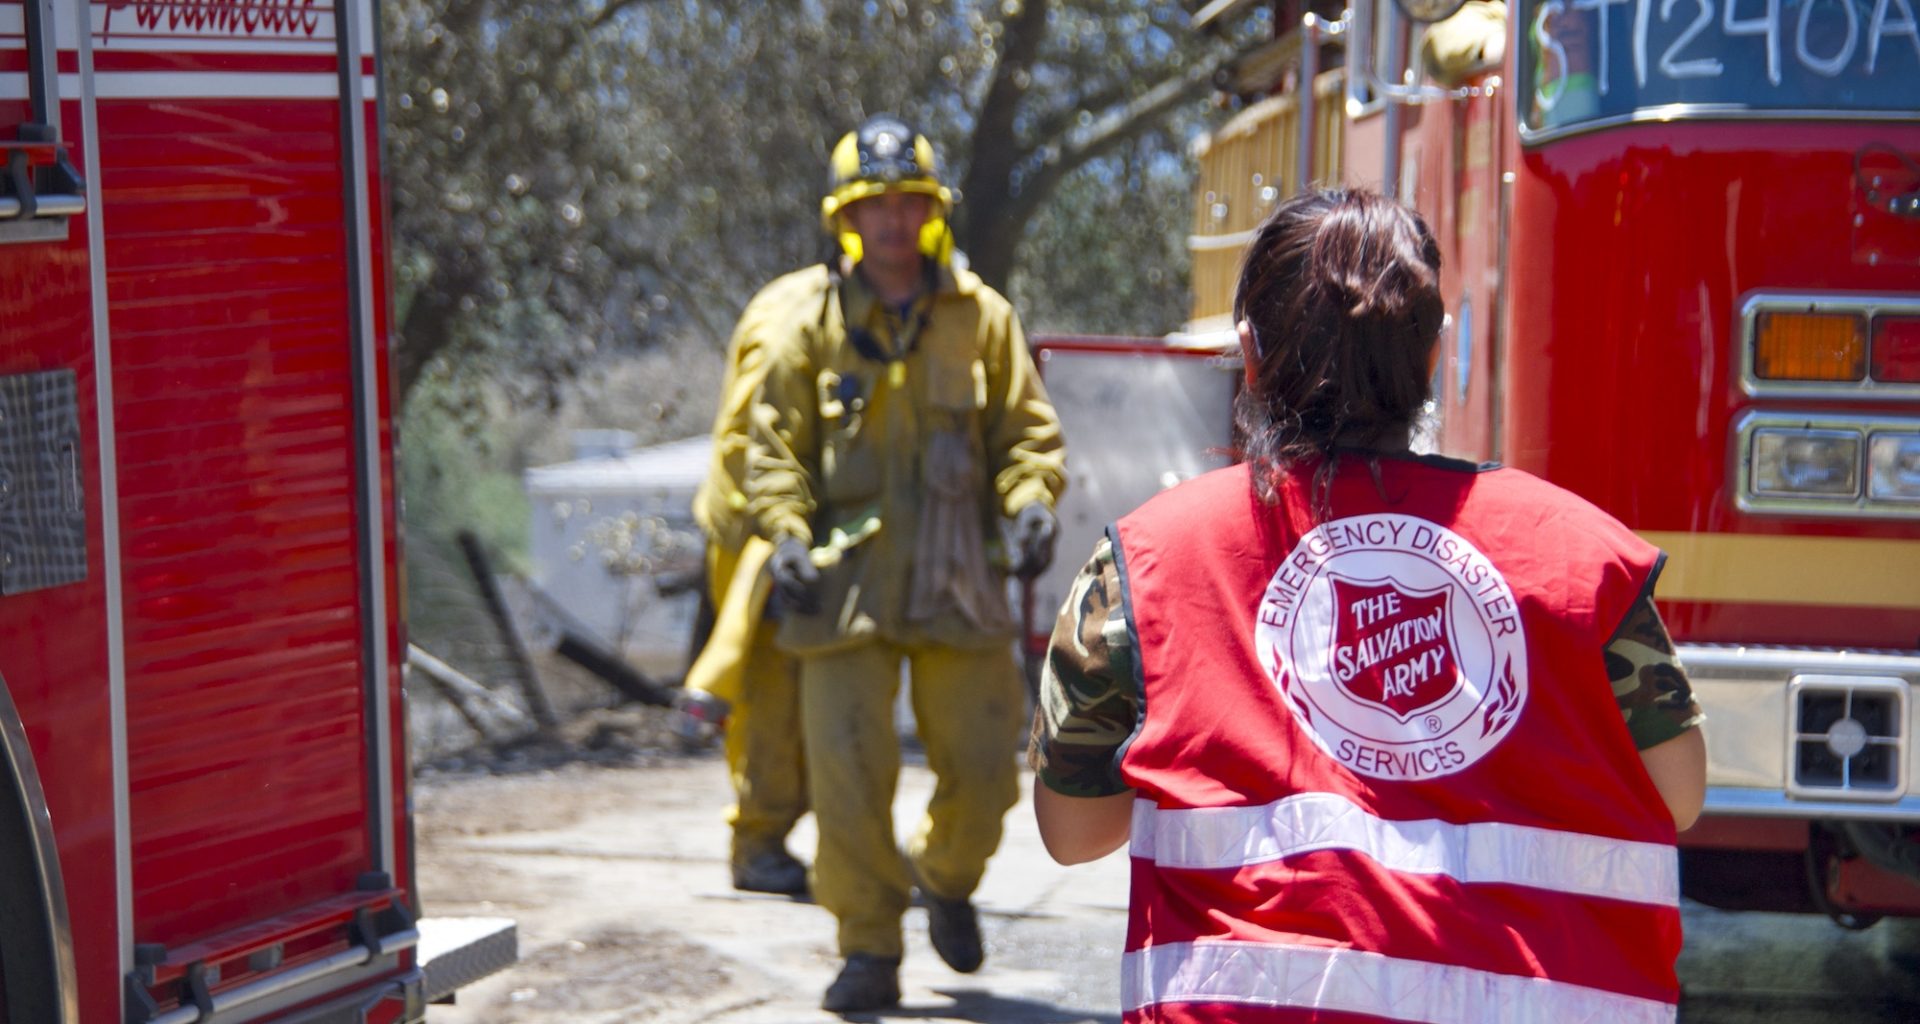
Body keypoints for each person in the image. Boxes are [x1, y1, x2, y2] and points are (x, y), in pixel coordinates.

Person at [1029, 189, 1705, 1022]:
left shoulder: (1150, 560)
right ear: (1430, 359)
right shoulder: (1578, 552)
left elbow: (1073, 831)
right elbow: (1678, 793)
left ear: (1251, 353)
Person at [743, 114, 1067, 1013]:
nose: (890, 220)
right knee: (847, 778)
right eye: (872, 205)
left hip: (957, 579)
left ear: (931, 213)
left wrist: (1031, 500)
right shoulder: (803, 323)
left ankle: (947, 879)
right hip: (842, 591)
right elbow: (773, 450)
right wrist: (787, 535)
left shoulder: (981, 316)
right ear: (844, 220)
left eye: (907, 202)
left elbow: (1026, 436)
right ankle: (869, 949)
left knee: (988, 770)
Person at [674, 287, 814, 896]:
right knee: (770, 694)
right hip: (760, 529)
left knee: (813, 696)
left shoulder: (791, 298)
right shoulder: (800, 309)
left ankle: (828, 839)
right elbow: (760, 434)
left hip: (772, 524)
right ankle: (758, 842)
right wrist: (778, 530)